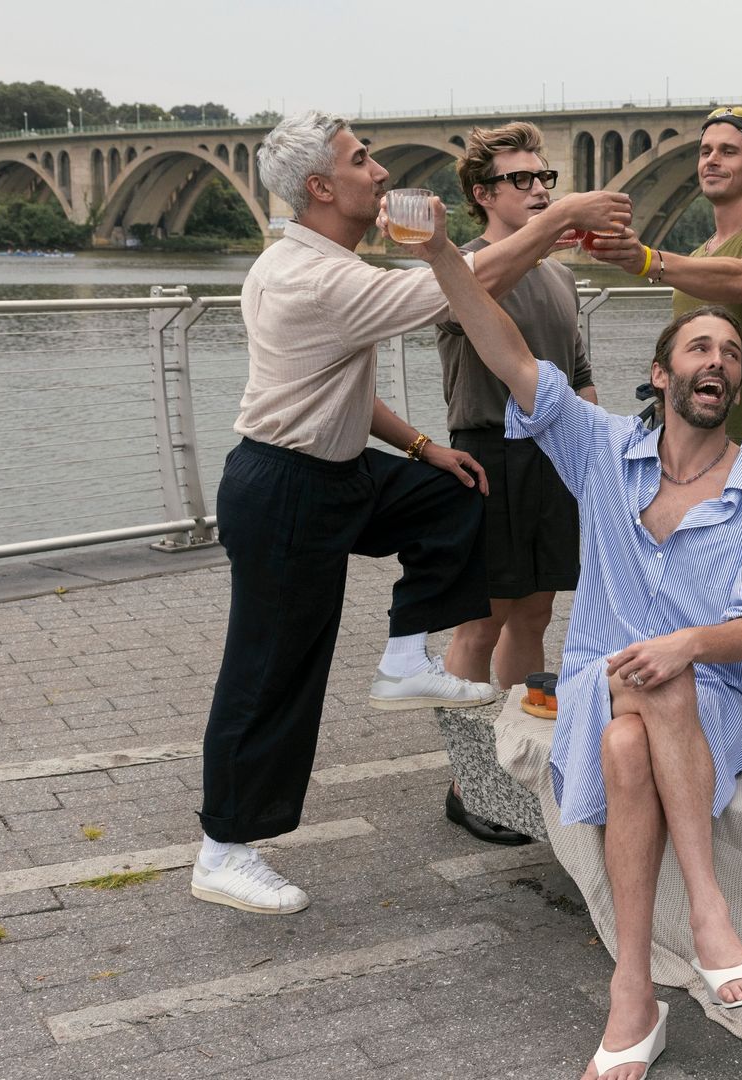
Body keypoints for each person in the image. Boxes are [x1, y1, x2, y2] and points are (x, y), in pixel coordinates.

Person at [191, 111, 631, 916]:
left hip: (335, 470)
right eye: (362, 161)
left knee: (454, 495)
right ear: (321, 187)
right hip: (284, 487)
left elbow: (339, 391)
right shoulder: (311, 276)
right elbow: (455, 289)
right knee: (270, 670)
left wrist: (426, 449)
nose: (381, 173)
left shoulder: (326, 262)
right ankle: (224, 847)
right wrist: (563, 217)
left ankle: (403, 658)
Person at [404, 193, 742, 1079]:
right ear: (662, 376)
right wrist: (440, 257)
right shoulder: (600, 449)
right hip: (602, 679)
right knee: (636, 697)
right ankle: (709, 920)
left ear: (736, 385)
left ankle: (634, 992)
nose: (719, 361)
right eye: (700, 347)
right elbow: (507, 352)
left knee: (635, 737)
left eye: (732, 353)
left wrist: (690, 644)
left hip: (722, 707)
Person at [433, 121, 599, 845]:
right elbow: (471, 295)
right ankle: (468, 781)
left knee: (533, 615)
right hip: (489, 452)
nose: (538, 190)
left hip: (557, 454)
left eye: (544, 180)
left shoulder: (559, 275)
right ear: (481, 193)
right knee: (480, 621)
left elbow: (580, 365)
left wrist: (599, 446)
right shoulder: (460, 265)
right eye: (522, 180)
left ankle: (517, 765)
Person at [590, 106, 742, 458]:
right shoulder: (695, 257)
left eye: (728, 151)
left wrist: (648, 260)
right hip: (680, 444)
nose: (712, 160)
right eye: (705, 151)